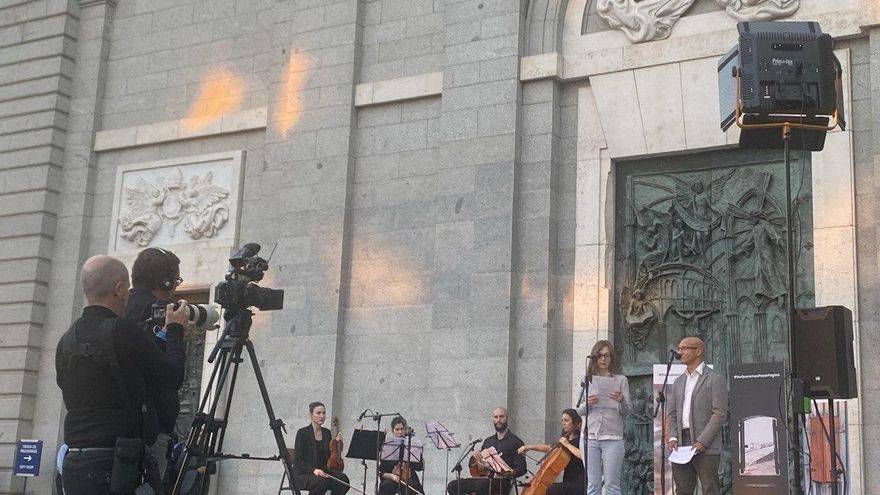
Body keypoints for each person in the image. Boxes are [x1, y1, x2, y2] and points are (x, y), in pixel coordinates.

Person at [56, 255, 188, 495]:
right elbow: (173, 376)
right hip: (116, 461)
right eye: (126, 287)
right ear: (119, 289)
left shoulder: (67, 339)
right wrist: (176, 330)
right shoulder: (123, 331)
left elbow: (65, 386)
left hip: (74, 460)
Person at [123, 247, 185, 482]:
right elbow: (171, 373)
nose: (176, 286)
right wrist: (176, 333)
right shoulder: (158, 314)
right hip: (154, 425)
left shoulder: (119, 309)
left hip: (123, 422)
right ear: (166, 281)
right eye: (176, 280)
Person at [666, 336, 728, 495]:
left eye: (685, 348)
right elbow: (671, 413)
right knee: (683, 490)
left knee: (710, 489)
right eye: (679, 348)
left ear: (699, 351)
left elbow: (719, 414)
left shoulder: (715, 379)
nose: (680, 352)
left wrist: (702, 441)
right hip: (681, 443)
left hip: (706, 444)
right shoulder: (679, 381)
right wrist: (673, 437)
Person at [576, 340, 630, 495]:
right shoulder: (586, 380)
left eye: (607, 355)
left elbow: (628, 411)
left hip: (613, 437)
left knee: (612, 484)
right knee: (593, 484)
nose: (603, 359)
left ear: (612, 358)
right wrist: (588, 404)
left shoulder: (621, 380)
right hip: (590, 437)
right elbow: (578, 410)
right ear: (594, 358)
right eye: (599, 356)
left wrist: (621, 401)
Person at [446, 407, 526, 495]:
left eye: (501, 417)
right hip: (485, 479)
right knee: (452, 486)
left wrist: (506, 473)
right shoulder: (488, 441)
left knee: (481, 485)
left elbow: (522, 468)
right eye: (496, 417)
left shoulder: (516, 442)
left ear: (507, 419)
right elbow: (478, 466)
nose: (498, 420)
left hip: (502, 482)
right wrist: (476, 460)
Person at [518, 409, 584, 495]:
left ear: (575, 422)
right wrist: (529, 447)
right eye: (562, 420)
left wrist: (568, 445)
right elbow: (549, 448)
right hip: (568, 481)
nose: (563, 423)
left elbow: (583, 455)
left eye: (566, 420)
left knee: (552, 490)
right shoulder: (565, 440)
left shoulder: (581, 440)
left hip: (579, 483)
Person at [293, 402, 351, 495]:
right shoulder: (302, 433)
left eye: (324, 413)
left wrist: (336, 443)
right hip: (303, 474)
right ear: (311, 415)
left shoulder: (326, 433)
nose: (322, 416)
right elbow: (298, 460)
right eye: (318, 413)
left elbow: (329, 456)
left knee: (343, 480)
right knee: (320, 483)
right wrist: (314, 470)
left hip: (322, 472)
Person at [378, 416, 424, 495]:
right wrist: (392, 476)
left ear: (405, 430)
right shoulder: (387, 446)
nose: (400, 432)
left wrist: (415, 452)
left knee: (410, 488)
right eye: (397, 429)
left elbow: (420, 466)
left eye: (402, 429)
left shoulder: (411, 444)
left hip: (409, 478)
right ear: (392, 430)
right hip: (392, 477)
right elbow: (382, 472)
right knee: (387, 485)